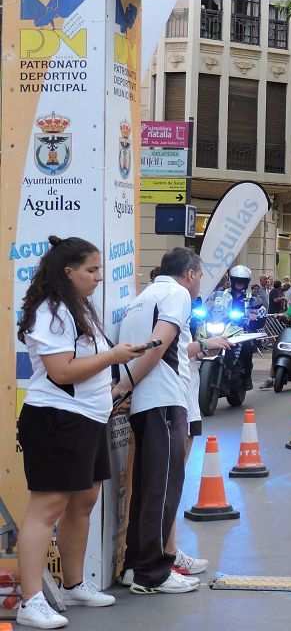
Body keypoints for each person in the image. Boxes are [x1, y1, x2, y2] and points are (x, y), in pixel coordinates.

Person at [15, 236, 145, 628]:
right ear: (68, 272)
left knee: (84, 501)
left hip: (87, 418)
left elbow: (83, 369)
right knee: (47, 507)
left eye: (100, 269)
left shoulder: (77, 308)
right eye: (91, 270)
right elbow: (62, 372)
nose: (99, 277)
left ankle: (72, 583)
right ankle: (30, 600)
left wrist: (110, 382)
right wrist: (115, 355)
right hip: (56, 420)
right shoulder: (50, 311)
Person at [115, 247, 231, 595]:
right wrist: (125, 386)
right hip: (164, 402)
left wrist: (128, 385)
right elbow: (158, 345)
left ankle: (136, 567)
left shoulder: (144, 296)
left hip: (149, 403)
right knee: (162, 490)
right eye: (200, 277)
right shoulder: (177, 294)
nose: (199, 285)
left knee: (148, 489)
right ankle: (153, 574)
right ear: (191, 274)